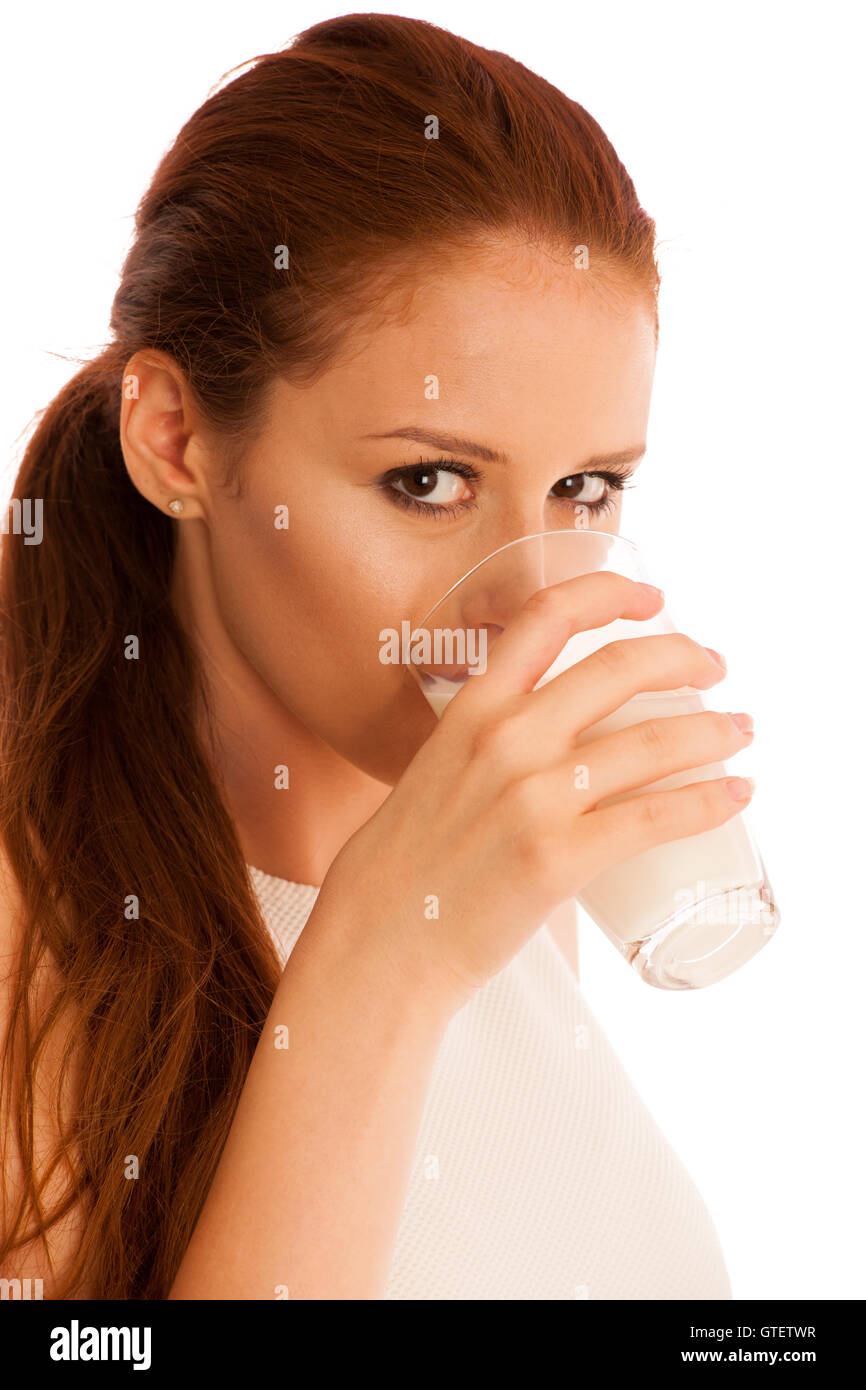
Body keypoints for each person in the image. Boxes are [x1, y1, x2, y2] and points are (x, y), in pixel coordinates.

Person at [0, 13, 753, 1299]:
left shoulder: (493, 851)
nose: (527, 605)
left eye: (582, 486)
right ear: (176, 440)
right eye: (426, 480)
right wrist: (381, 967)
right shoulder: (38, 941)